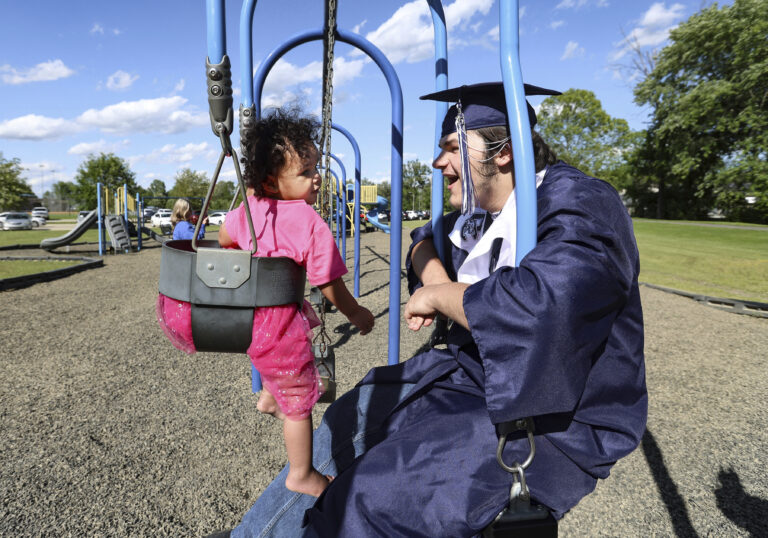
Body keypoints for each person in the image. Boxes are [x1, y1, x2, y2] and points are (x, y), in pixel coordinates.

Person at [221, 82, 647, 537]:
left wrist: (440, 298)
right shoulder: (482, 209)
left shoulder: (580, 204)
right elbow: (422, 241)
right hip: (468, 379)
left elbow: (542, 307)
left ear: (502, 153)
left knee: (367, 498)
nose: (437, 162)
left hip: (551, 417)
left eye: (450, 148)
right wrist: (437, 280)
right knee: (346, 418)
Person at [157, 107, 375, 498]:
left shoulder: (248, 211)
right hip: (281, 324)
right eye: (306, 172)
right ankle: (302, 474)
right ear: (273, 181)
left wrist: (252, 223)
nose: (317, 178)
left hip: (245, 320)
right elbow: (328, 283)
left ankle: (267, 398)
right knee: (300, 401)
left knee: (279, 372)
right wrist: (356, 313)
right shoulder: (309, 221)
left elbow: (224, 239)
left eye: (314, 168)